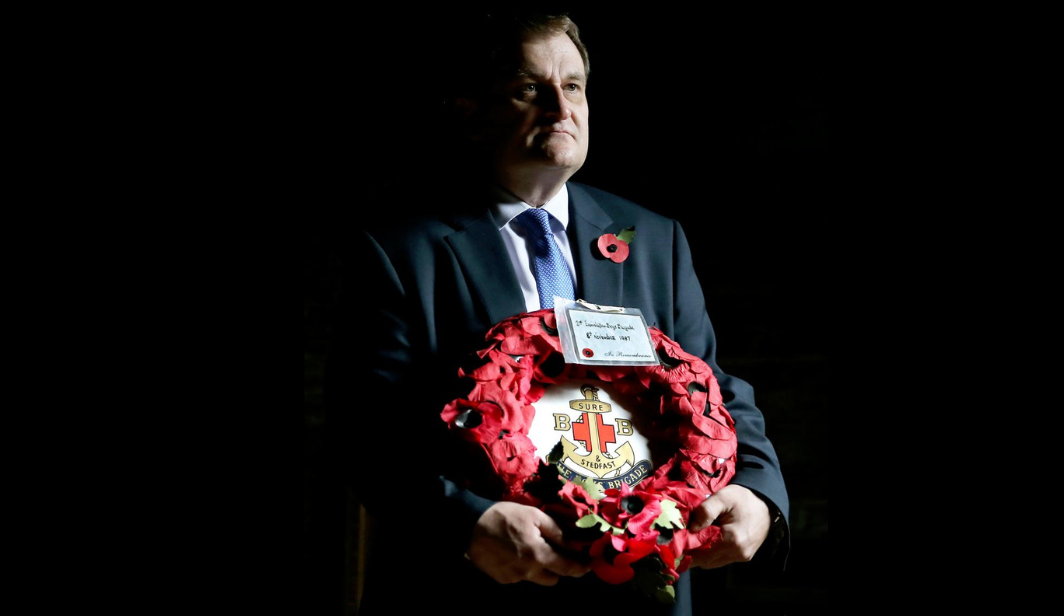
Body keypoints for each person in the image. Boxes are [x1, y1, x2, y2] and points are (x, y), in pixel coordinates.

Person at [324, 11, 789, 616]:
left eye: (573, 86)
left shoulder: (652, 238)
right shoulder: (399, 249)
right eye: (528, 88)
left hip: (640, 592)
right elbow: (367, 428)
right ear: (470, 112)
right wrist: (468, 524)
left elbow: (713, 391)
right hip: (474, 590)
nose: (559, 106)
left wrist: (756, 491)